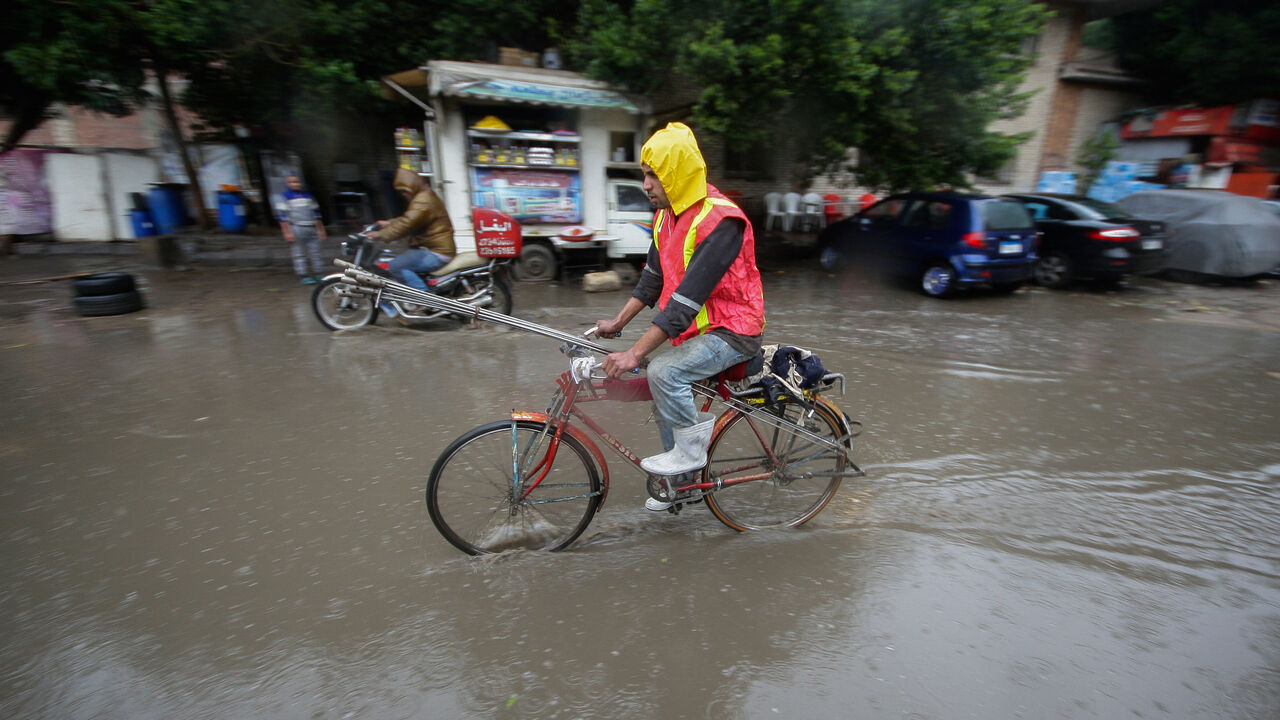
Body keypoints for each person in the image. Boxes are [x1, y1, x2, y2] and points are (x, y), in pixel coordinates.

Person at [596, 123, 765, 511]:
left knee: (663, 373)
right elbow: (652, 281)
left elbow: (685, 303)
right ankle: (681, 485)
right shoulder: (664, 217)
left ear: (676, 174)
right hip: (698, 332)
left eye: (653, 174)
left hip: (734, 331)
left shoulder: (721, 221)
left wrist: (634, 355)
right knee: (662, 390)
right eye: (645, 174)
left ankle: (689, 461)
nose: (646, 184)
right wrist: (617, 324)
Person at [372, 168, 455, 293]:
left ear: (411, 186)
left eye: (404, 191)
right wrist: (389, 223)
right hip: (434, 248)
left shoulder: (423, 200)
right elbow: (410, 218)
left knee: (396, 266)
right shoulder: (424, 196)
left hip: (437, 252)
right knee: (402, 260)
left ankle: (426, 300)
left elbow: (406, 224)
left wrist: (379, 234)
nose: (404, 195)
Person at [276, 175, 328, 284]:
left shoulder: (308, 196)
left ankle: (318, 273)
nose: (295, 184)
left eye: (297, 182)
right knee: (298, 253)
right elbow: (282, 217)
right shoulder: (285, 197)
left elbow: (317, 214)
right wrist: (287, 232)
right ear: (288, 184)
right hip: (296, 227)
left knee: (316, 252)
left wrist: (321, 229)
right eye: (292, 182)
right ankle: (303, 274)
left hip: (311, 227)